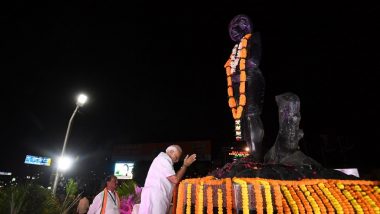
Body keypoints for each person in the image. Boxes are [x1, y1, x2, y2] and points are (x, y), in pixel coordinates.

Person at [225, 14, 265, 161]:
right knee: (241, 118)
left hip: (251, 80)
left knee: (251, 115)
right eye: (231, 28)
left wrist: (238, 74)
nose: (233, 31)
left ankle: (256, 155)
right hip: (238, 83)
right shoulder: (236, 48)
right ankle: (249, 155)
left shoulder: (253, 38)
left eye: (236, 26)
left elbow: (254, 61)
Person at [138, 145, 196, 214]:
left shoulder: (163, 160)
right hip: (156, 197)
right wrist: (185, 165)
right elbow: (175, 179)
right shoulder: (163, 159)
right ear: (171, 152)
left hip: (156, 196)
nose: (177, 161)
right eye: (176, 157)